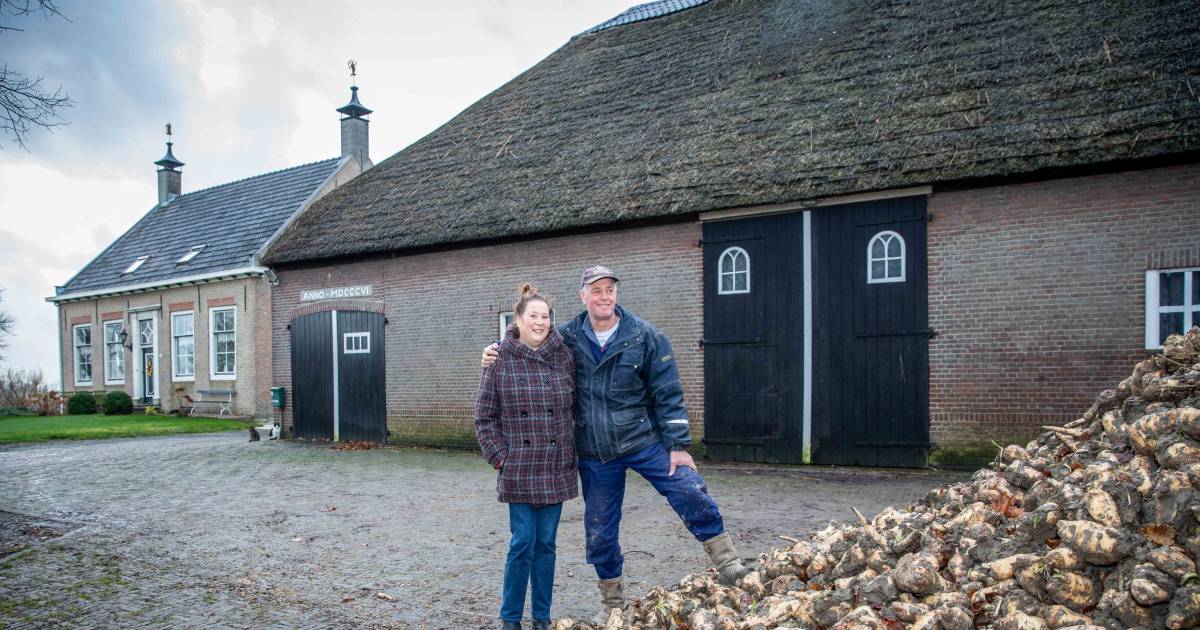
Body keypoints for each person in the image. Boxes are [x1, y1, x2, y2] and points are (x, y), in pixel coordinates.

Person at [482, 265, 749, 619]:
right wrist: (497, 349)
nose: (604, 296)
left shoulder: (645, 336)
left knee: (687, 486)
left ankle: (728, 562)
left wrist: (679, 445)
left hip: (641, 439)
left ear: (616, 294)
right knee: (600, 531)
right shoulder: (568, 338)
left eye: (609, 290)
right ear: (584, 296)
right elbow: (530, 338)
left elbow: (668, 391)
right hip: (596, 451)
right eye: (596, 290)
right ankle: (612, 604)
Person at [475, 283, 578, 630]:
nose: (540, 322)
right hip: (518, 468)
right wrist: (500, 458)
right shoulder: (498, 358)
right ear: (517, 319)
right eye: (533, 315)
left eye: (545, 316)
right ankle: (510, 619)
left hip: (555, 465)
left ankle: (542, 618)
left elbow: (576, 406)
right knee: (522, 543)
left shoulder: (564, 355)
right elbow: (484, 417)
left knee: (546, 545)